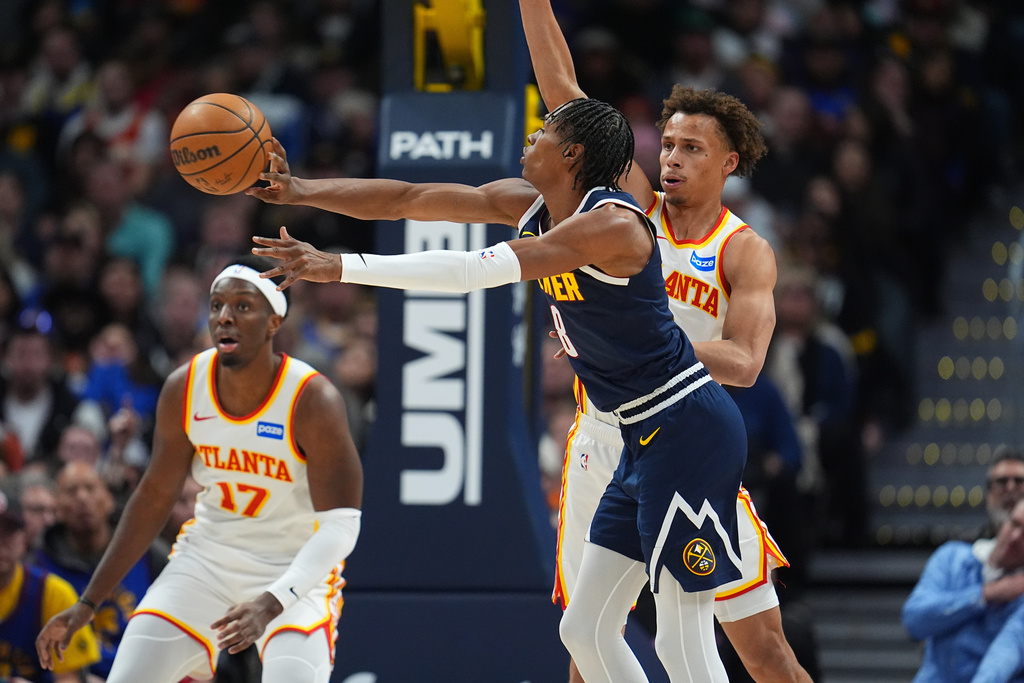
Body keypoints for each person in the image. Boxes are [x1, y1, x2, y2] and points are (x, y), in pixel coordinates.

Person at [248, 97, 747, 681]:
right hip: (637, 435)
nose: (529, 137)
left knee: (682, 639)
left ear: (571, 153)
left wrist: (339, 267)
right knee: (583, 630)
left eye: (543, 130)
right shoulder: (533, 204)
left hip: (687, 427)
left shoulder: (612, 222)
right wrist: (300, 191)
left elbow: (474, 271)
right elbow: (409, 199)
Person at [516, 0, 813, 680]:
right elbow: (565, 94)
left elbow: (742, 363)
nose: (671, 159)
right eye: (668, 144)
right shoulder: (630, 209)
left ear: (729, 161)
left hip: (686, 436)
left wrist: (630, 343)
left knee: (764, 649)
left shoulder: (742, 252)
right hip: (602, 443)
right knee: (586, 641)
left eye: (692, 149)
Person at [36, 254, 364, 683]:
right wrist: (89, 603)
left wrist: (271, 602)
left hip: (292, 573)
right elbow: (153, 497)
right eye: (216, 306)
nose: (224, 317)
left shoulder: (313, 399)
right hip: (206, 561)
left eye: (242, 306)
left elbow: (342, 527)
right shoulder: (184, 388)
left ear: (273, 322)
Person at [33, 460, 166, 679]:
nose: (82, 498)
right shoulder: (38, 561)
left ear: (108, 500)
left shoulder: (148, 552)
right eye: (71, 491)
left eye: (90, 488)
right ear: (56, 506)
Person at [902, 497, 1024, 681]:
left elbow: (1007, 651)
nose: (1015, 537)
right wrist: (984, 594)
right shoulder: (951, 557)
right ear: (1004, 521)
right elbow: (914, 620)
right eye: (1015, 524)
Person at [0, 488, 100, 682]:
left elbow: (70, 678)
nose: (0, 543)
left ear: (23, 540)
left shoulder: (53, 592)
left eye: (8, 532)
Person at [980, 447, 1024, 539]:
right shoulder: (969, 548)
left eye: (1019, 481)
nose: (1011, 488)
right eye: (1002, 481)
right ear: (989, 494)